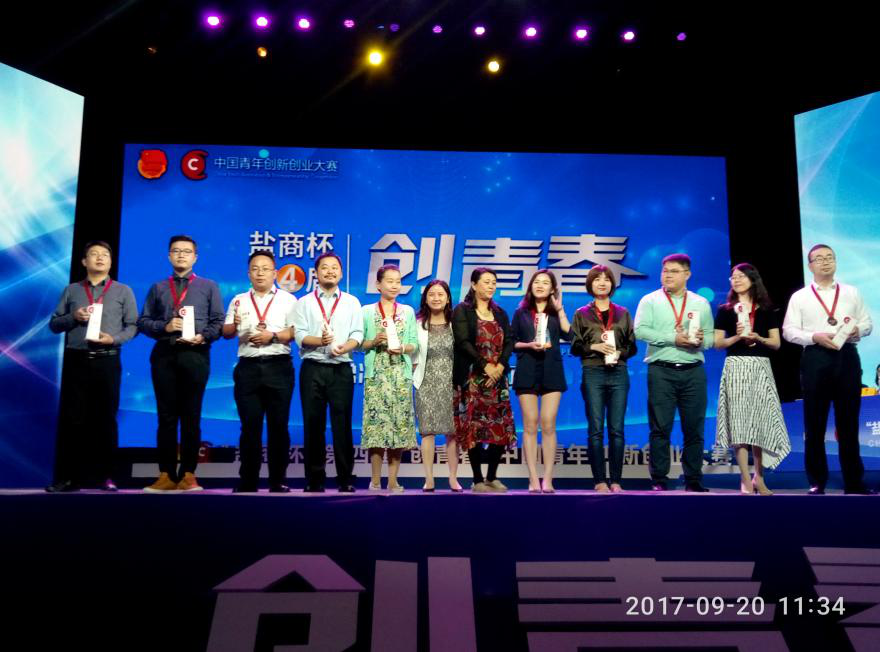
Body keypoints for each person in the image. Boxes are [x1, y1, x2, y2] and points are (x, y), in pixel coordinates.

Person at [46, 240, 138, 492]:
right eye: (94, 254)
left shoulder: (123, 290)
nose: (100, 258)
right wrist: (73, 317)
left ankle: (107, 476)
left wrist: (113, 339)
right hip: (77, 360)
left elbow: (133, 326)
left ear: (110, 261)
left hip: (108, 359)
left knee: (106, 419)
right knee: (73, 420)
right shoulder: (71, 290)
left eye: (105, 254)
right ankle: (68, 478)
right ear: (84, 261)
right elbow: (54, 325)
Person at [782, 244, 875, 495]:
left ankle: (854, 482)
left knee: (849, 423)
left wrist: (858, 330)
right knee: (815, 423)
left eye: (830, 257)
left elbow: (867, 322)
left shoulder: (851, 292)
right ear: (810, 265)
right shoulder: (800, 296)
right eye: (819, 258)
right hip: (816, 357)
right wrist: (814, 336)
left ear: (835, 262)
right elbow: (789, 331)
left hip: (847, 356)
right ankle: (817, 481)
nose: (825, 261)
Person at [137, 235, 225, 493]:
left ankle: (188, 474)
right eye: (176, 251)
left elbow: (218, 321)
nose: (181, 255)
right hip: (164, 354)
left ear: (195, 257)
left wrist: (203, 336)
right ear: (169, 256)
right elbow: (143, 322)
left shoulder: (208, 286)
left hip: (195, 354)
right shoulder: (158, 287)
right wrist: (164, 326)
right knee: (165, 417)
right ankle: (165, 474)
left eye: (187, 251)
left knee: (191, 415)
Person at [634, 253, 714, 492]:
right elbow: (640, 330)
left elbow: (711, 337)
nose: (667, 275)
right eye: (665, 271)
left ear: (687, 274)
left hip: (693, 370)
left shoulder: (700, 302)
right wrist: (673, 338)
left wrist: (700, 341)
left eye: (674, 271)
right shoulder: (650, 300)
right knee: (660, 428)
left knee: (694, 428)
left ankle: (693, 479)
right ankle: (659, 479)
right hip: (661, 370)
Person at [222, 250, 297, 493]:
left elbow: (295, 332)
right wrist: (234, 324)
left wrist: (272, 335)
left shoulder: (288, 300)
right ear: (248, 274)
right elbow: (226, 332)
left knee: (279, 427)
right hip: (248, 367)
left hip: (278, 366)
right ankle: (248, 480)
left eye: (265, 268)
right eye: (255, 269)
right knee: (249, 427)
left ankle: (277, 480)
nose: (260, 273)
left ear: (275, 273)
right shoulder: (238, 300)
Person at [714, 263, 791, 495]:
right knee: (739, 423)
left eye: (741, 276)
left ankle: (760, 477)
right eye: (733, 277)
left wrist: (758, 337)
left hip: (760, 366)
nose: (736, 280)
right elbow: (718, 343)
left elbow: (776, 343)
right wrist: (737, 337)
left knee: (760, 422)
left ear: (752, 280)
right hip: (736, 366)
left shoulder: (766, 310)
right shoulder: (725, 310)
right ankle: (745, 478)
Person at [293, 252, 363, 492]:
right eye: (324, 267)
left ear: (341, 273)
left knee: (342, 425)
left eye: (334, 267)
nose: (330, 271)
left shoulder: (351, 302)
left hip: (341, 368)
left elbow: (357, 334)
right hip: (312, 368)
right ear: (316, 273)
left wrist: (345, 347)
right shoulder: (304, 302)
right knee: (313, 425)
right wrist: (320, 341)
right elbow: (300, 336)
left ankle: (345, 479)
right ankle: (314, 480)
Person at [570, 265, 637, 493]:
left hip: (618, 371)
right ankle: (599, 480)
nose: (602, 282)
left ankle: (616, 480)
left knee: (617, 429)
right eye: (597, 279)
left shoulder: (623, 313)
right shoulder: (581, 313)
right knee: (596, 428)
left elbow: (632, 346)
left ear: (612, 284)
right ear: (590, 284)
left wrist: (620, 352)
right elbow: (575, 346)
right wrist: (594, 347)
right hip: (593, 371)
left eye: (606, 279)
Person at [452, 267, 516, 492]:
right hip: (473, 378)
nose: (491, 286)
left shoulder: (500, 313)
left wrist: (500, 367)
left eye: (494, 283)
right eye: (486, 282)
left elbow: (509, 341)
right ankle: (477, 479)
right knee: (475, 429)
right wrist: (485, 366)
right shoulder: (462, 310)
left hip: (497, 379)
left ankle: (492, 477)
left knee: (500, 428)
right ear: (474, 284)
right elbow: (463, 342)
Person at [511, 269, 571, 493]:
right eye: (537, 281)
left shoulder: (556, 313)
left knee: (548, 423)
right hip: (527, 369)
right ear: (531, 286)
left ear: (552, 289)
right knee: (529, 424)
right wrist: (528, 345)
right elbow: (511, 342)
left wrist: (560, 310)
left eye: (545, 283)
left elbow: (570, 335)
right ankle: (533, 477)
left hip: (551, 370)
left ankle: (548, 477)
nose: (540, 285)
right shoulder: (521, 313)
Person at [361, 265, 418, 492]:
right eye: (389, 281)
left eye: (398, 281)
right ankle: (375, 480)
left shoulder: (407, 311)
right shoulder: (367, 311)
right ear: (378, 284)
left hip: (400, 375)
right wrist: (373, 342)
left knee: (399, 429)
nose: (394, 286)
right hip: (377, 375)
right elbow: (358, 344)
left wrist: (402, 348)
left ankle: (393, 480)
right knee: (376, 429)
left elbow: (414, 343)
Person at [413, 280, 461, 492]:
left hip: (451, 383)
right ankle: (429, 479)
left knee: (452, 432)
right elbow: (413, 353)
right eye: (431, 294)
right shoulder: (417, 324)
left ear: (448, 298)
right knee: (427, 432)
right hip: (425, 382)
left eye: (441, 294)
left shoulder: (456, 323)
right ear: (425, 298)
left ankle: (453, 478)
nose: (436, 298)